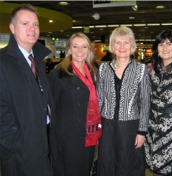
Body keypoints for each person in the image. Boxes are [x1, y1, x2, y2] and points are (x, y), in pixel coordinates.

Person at [0, 4, 54, 176]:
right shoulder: (3, 62)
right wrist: (17, 142)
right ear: (12, 28)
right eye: (25, 23)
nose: (32, 28)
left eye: (36, 24)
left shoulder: (37, 59)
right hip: (21, 150)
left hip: (43, 141)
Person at [96, 26, 151, 176]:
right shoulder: (103, 69)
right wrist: (97, 125)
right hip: (107, 125)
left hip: (130, 127)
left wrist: (141, 131)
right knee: (107, 163)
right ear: (112, 46)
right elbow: (99, 99)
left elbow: (145, 102)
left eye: (126, 43)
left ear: (132, 46)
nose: (122, 47)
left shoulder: (141, 69)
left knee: (128, 164)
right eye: (118, 43)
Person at [48, 32, 102, 176]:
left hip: (89, 134)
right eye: (75, 46)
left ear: (89, 50)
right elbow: (50, 107)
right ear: (69, 50)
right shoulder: (59, 74)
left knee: (85, 169)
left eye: (84, 47)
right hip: (68, 137)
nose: (80, 51)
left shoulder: (94, 72)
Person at [144, 31, 172, 176]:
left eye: (169, 44)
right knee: (152, 164)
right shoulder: (148, 70)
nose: (165, 48)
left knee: (171, 168)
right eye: (161, 44)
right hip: (151, 126)